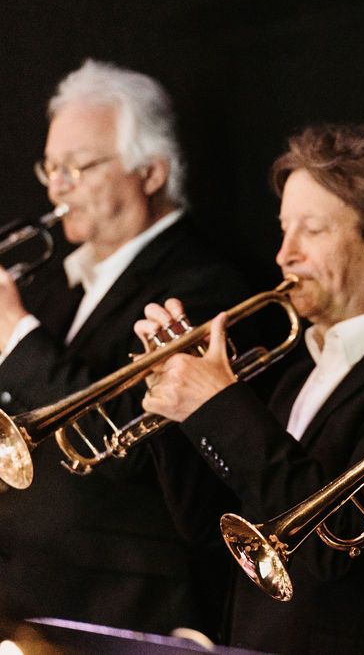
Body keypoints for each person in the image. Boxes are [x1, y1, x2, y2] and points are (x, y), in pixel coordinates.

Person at [137, 121, 364, 654]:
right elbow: (210, 527)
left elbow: (335, 539)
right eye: (284, 229)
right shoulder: (302, 366)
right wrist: (178, 404)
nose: (284, 254)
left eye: (312, 230)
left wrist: (220, 406)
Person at [0, 59, 251, 636]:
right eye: (50, 167)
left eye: (78, 166)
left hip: (120, 601)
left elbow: (125, 440)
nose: (56, 187)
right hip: (29, 584)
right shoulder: (56, 286)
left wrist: (14, 333)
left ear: (151, 172)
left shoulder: (203, 286)